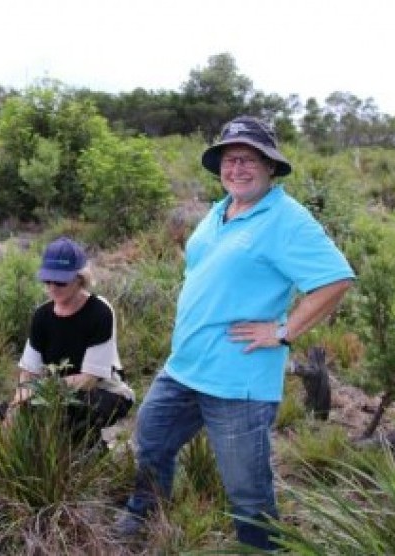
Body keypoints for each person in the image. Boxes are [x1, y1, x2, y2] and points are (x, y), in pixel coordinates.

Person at [114, 116, 355, 549]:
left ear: (269, 166)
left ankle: (260, 547)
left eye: (248, 159)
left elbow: (336, 280)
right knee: (151, 439)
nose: (237, 168)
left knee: (247, 489)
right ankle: (144, 511)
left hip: (238, 380)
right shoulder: (221, 208)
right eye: (229, 159)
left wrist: (283, 330)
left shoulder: (287, 219)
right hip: (185, 365)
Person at [0, 236, 135, 450]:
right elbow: (29, 371)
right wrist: (18, 401)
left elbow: (89, 380)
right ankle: (37, 463)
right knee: (2, 416)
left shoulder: (100, 311)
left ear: (80, 279)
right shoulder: (42, 315)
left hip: (104, 391)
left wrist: (42, 390)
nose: (52, 287)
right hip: (54, 390)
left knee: (73, 413)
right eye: (47, 280)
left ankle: (92, 456)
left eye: (60, 281)